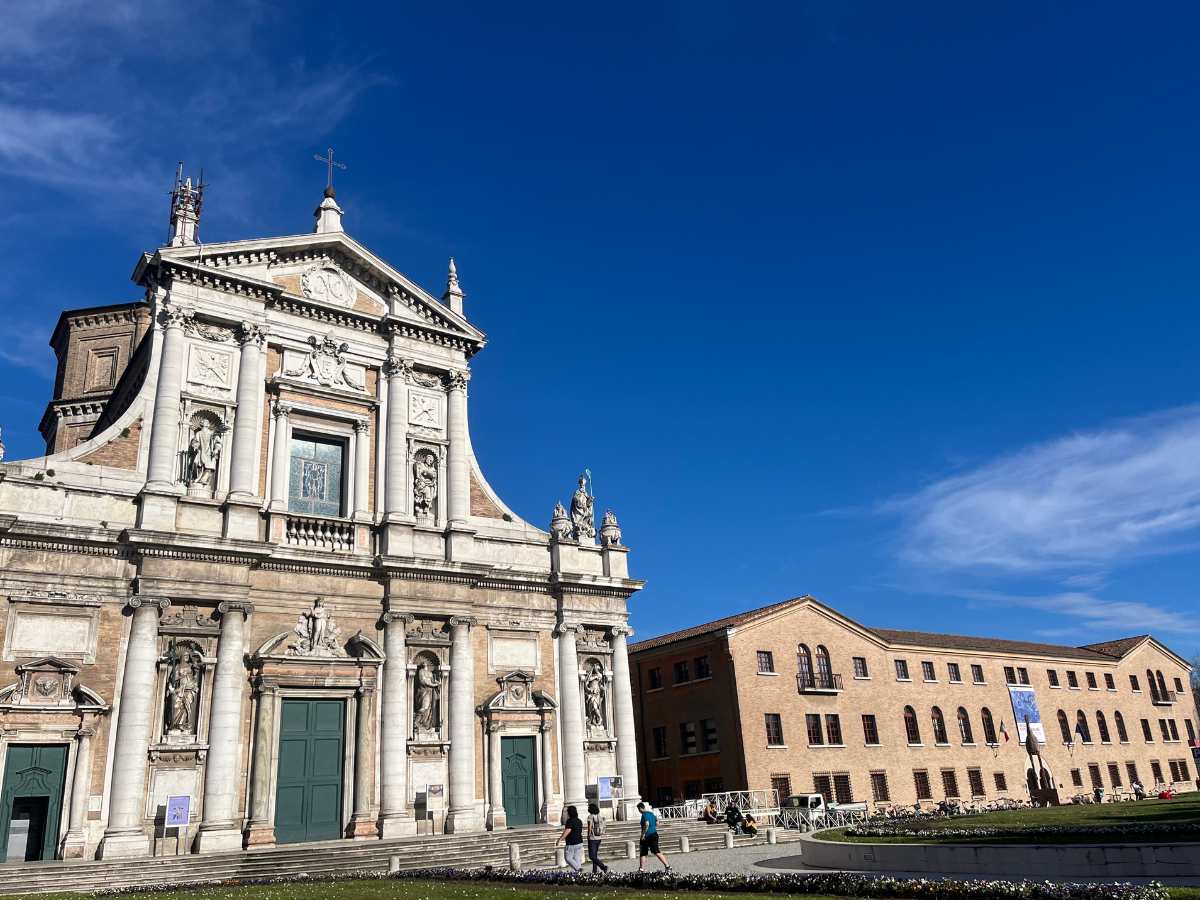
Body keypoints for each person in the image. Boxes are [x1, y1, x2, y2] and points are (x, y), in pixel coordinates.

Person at [637, 802, 671, 873]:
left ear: (640, 808)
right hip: (654, 834)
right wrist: (653, 827)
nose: (639, 811)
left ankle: (641, 869)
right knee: (655, 851)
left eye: (638, 809)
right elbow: (657, 823)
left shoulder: (644, 815)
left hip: (647, 836)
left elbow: (646, 824)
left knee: (644, 852)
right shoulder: (651, 813)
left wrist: (643, 834)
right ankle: (667, 866)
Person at [557, 805, 584, 873]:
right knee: (576, 858)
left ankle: (578, 869)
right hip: (579, 842)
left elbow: (567, 831)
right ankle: (579, 873)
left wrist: (560, 839)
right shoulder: (579, 821)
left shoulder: (570, 821)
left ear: (569, 813)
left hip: (572, 843)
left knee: (568, 858)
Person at [586, 802, 609, 874]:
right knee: (595, 855)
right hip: (599, 838)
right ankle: (594, 871)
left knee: (591, 856)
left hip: (592, 838)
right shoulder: (599, 816)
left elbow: (589, 827)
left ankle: (603, 867)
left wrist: (588, 835)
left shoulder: (590, 816)